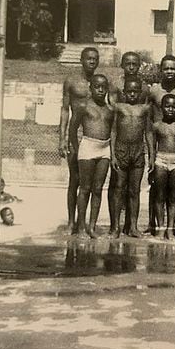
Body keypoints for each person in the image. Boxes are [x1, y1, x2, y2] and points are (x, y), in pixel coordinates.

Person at [147, 55, 175, 232]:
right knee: (155, 188)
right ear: (161, 69)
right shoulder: (154, 91)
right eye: (166, 68)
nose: (170, 72)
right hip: (158, 143)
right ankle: (153, 224)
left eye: (173, 68)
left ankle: (173, 225)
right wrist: (150, 151)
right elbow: (149, 118)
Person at [59, 47, 100, 230]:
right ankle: (70, 221)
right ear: (81, 60)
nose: (92, 62)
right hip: (76, 134)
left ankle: (85, 223)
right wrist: (63, 138)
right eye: (89, 58)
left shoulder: (100, 84)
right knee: (74, 179)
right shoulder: (71, 82)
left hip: (92, 134)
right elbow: (65, 110)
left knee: (88, 183)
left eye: (95, 59)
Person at [69, 74, 113, 239]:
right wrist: (76, 148)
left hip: (105, 149)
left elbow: (113, 132)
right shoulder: (83, 106)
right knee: (85, 188)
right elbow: (72, 129)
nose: (101, 90)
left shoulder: (110, 110)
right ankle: (81, 226)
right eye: (97, 87)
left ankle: (92, 226)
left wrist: (112, 153)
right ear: (91, 88)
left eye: (104, 87)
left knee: (97, 189)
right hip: (88, 146)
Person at [110, 77, 154, 238]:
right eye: (130, 91)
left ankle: (133, 227)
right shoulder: (119, 107)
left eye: (136, 91)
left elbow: (148, 132)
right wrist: (113, 154)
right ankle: (115, 227)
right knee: (119, 188)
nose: (133, 94)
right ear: (124, 92)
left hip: (137, 151)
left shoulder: (144, 109)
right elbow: (113, 131)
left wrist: (152, 156)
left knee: (134, 190)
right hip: (121, 149)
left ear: (140, 93)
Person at [150, 94, 175, 239]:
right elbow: (153, 146)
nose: (170, 109)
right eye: (167, 106)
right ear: (161, 108)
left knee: (173, 198)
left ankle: (170, 228)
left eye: (174, 107)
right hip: (160, 159)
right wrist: (152, 164)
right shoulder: (157, 126)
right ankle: (160, 227)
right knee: (160, 196)